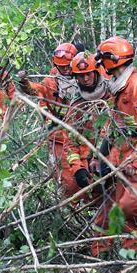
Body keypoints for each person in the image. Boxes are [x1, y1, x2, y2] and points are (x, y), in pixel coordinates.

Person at [92, 36, 137, 253]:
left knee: (128, 210)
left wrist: (136, 160)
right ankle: (102, 260)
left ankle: (135, 262)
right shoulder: (120, 89)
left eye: (103, 61)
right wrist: (101, 158)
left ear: (112, 60)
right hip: (121, 164)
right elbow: (113, 128)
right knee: (107, 214)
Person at [17, 43, 80, 195]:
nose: (66, 69)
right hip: (59, 137)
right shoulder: (51, 82)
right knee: (67, 178)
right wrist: (24, 82)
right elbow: (35, 89)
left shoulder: (84, 76)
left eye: (68, 66)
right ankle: (70, 202)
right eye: (62, 67)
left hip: (82, 135)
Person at [59, 51, 109, 200]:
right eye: (81, 76)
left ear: (96, 72)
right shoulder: (77, 106)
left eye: (88, 74)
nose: (86, 79)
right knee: (74, 188)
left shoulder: (112, 93)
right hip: (88, 159)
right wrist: (77, 169)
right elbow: (70, 141)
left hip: (113, 157)